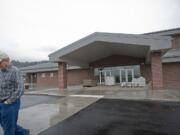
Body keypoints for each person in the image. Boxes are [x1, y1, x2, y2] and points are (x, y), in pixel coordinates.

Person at [0, 51, 30, 135]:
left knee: (8, 128)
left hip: (11, 103)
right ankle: (24, 132)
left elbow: (20, 89)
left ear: (7, 60)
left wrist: (8, 102)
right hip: (0, 102)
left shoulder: (15, 71)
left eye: (0, 63)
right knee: (5, 124)